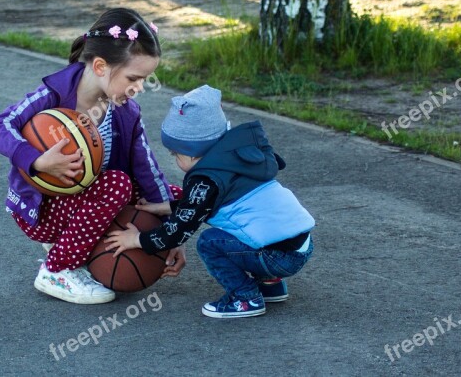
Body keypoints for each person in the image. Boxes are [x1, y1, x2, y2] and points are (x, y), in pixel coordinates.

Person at [0, 8, 184, 305]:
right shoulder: (54, 95)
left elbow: (148, 170)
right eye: (134, 77)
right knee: (118, 184)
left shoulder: (126, 112)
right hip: (42, 210)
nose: (139, 87)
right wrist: (38, 161)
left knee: (182, 197)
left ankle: (76, 243)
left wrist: (169, 234)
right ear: (102, 66)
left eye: (145, 79)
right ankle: (56, 269)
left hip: (88, 198)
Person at [105, 85, 315, 318]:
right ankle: (270, 285)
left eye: (176, 154)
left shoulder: (206, 180)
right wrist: (160, 207)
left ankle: (245, 298)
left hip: (277, 256)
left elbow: (179, 231)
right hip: (300, 246)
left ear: (194, 152)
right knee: (248, 230)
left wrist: (137, 239)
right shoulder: (235, 160)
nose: (175, 160)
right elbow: (201, 207)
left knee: (209, 242)